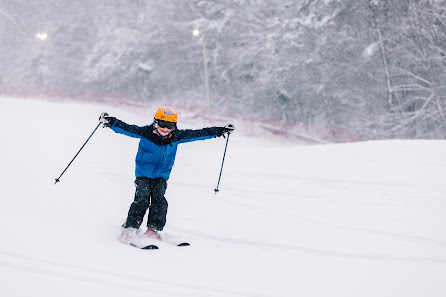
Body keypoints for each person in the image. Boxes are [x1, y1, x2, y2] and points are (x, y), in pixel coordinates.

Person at [99, 106, 234, 243]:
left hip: (162, 175)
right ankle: (129, 228)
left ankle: (153, 229)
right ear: (155, 122)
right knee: (142, 198)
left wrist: (219, 131)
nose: (165, 128)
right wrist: (111, 122)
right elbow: (126, 128)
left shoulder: (177, 136)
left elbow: (199, 133)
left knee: (159, 200)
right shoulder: (146, 132)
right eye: (162, 124)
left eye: (170, 125)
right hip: (143, 173)